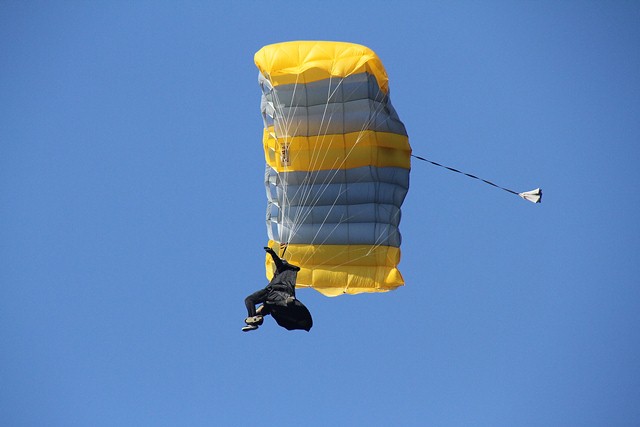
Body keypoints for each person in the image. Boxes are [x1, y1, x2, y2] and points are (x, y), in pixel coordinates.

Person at [242, 246, 301, 332]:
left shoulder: (285, 268)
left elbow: (279, 263)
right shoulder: (291, 272)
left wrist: (272, 253)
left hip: (272, 291)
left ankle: (253, 320)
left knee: (250, 300)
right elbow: (279, 264)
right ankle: (255, 318)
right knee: (266, 304)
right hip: (280, 294)